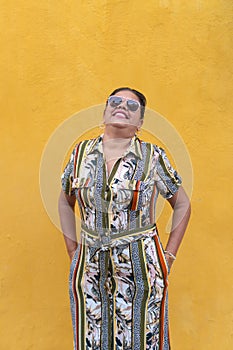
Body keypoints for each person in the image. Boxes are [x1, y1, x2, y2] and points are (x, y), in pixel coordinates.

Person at [58, 87, 191, 350]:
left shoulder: (153, 157)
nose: (122, 107)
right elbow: (65, 199)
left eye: (132, 106)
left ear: (140, 123)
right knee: (91, 340)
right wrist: (73, 250)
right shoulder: (80, 154)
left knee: (143, 339)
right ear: (105, 111)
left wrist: (169, 256)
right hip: (90, 269)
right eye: (116, 101)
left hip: (141, 266)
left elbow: (183, 204)